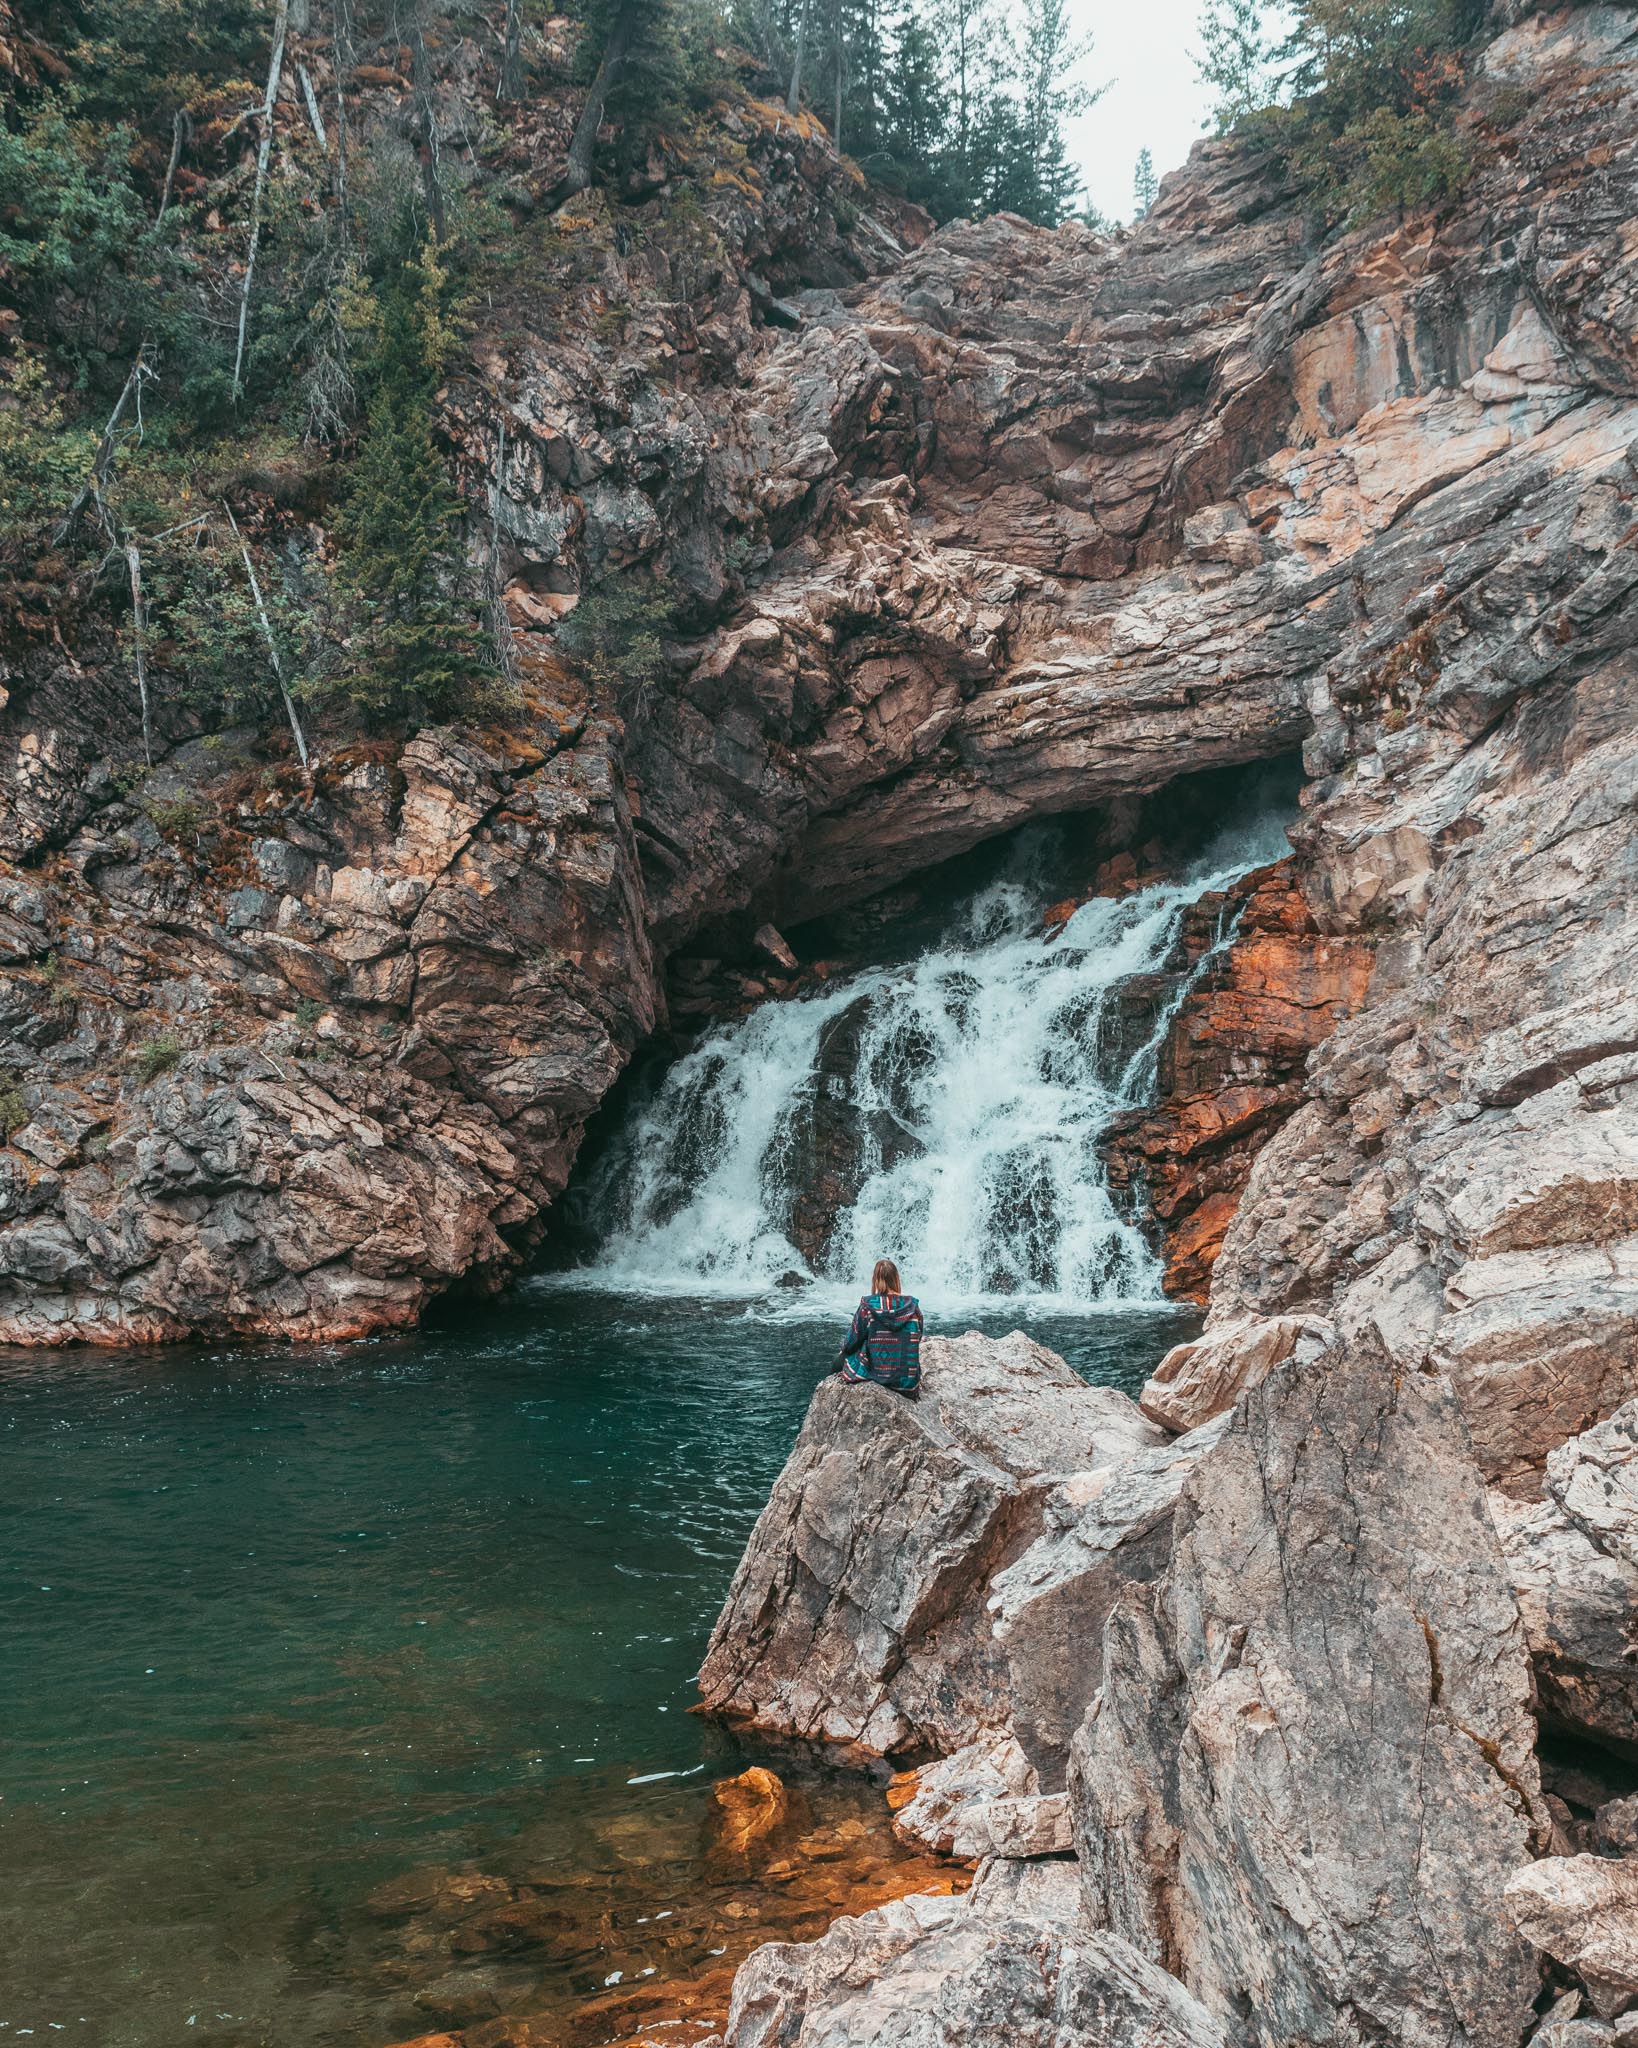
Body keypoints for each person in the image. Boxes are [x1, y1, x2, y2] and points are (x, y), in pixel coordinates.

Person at [833, 1258, 923, 1398]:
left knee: (837, 1361)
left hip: (879, 1376)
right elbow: (918, 1337)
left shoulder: (868, 1306)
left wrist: (843, 1350)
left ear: (875, 1279)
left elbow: (852, 1341)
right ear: (896, 1279)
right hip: (908, 1383)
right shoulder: (912, 1306)